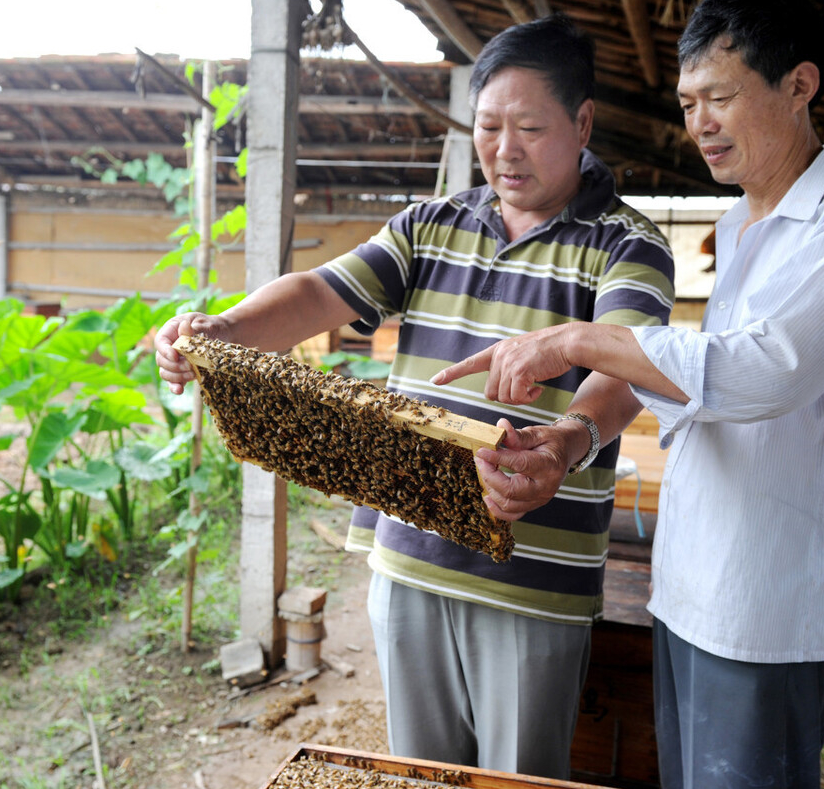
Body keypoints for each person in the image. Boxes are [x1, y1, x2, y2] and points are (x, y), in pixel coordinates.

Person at [155, 15, 675, 778]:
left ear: (583, 122)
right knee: (418, 774)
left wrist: (566, 440)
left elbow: (629, 365)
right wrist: (222, 330)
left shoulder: (627, 244)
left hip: (534, 584)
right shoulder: (430, 225)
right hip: (409, 567)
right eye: (489, 125)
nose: (504, 148)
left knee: (517, 777)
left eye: (529, 126)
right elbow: (317, 293)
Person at [433, 1, 824, 786]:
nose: (701, 124)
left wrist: (575, 339)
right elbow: (699, 385)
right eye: (689, 105)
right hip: (693, 584)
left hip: (774, 601)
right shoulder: (741, 224)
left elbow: (766, 369)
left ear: (799, 84)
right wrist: (572, 436)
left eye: (720, 98)